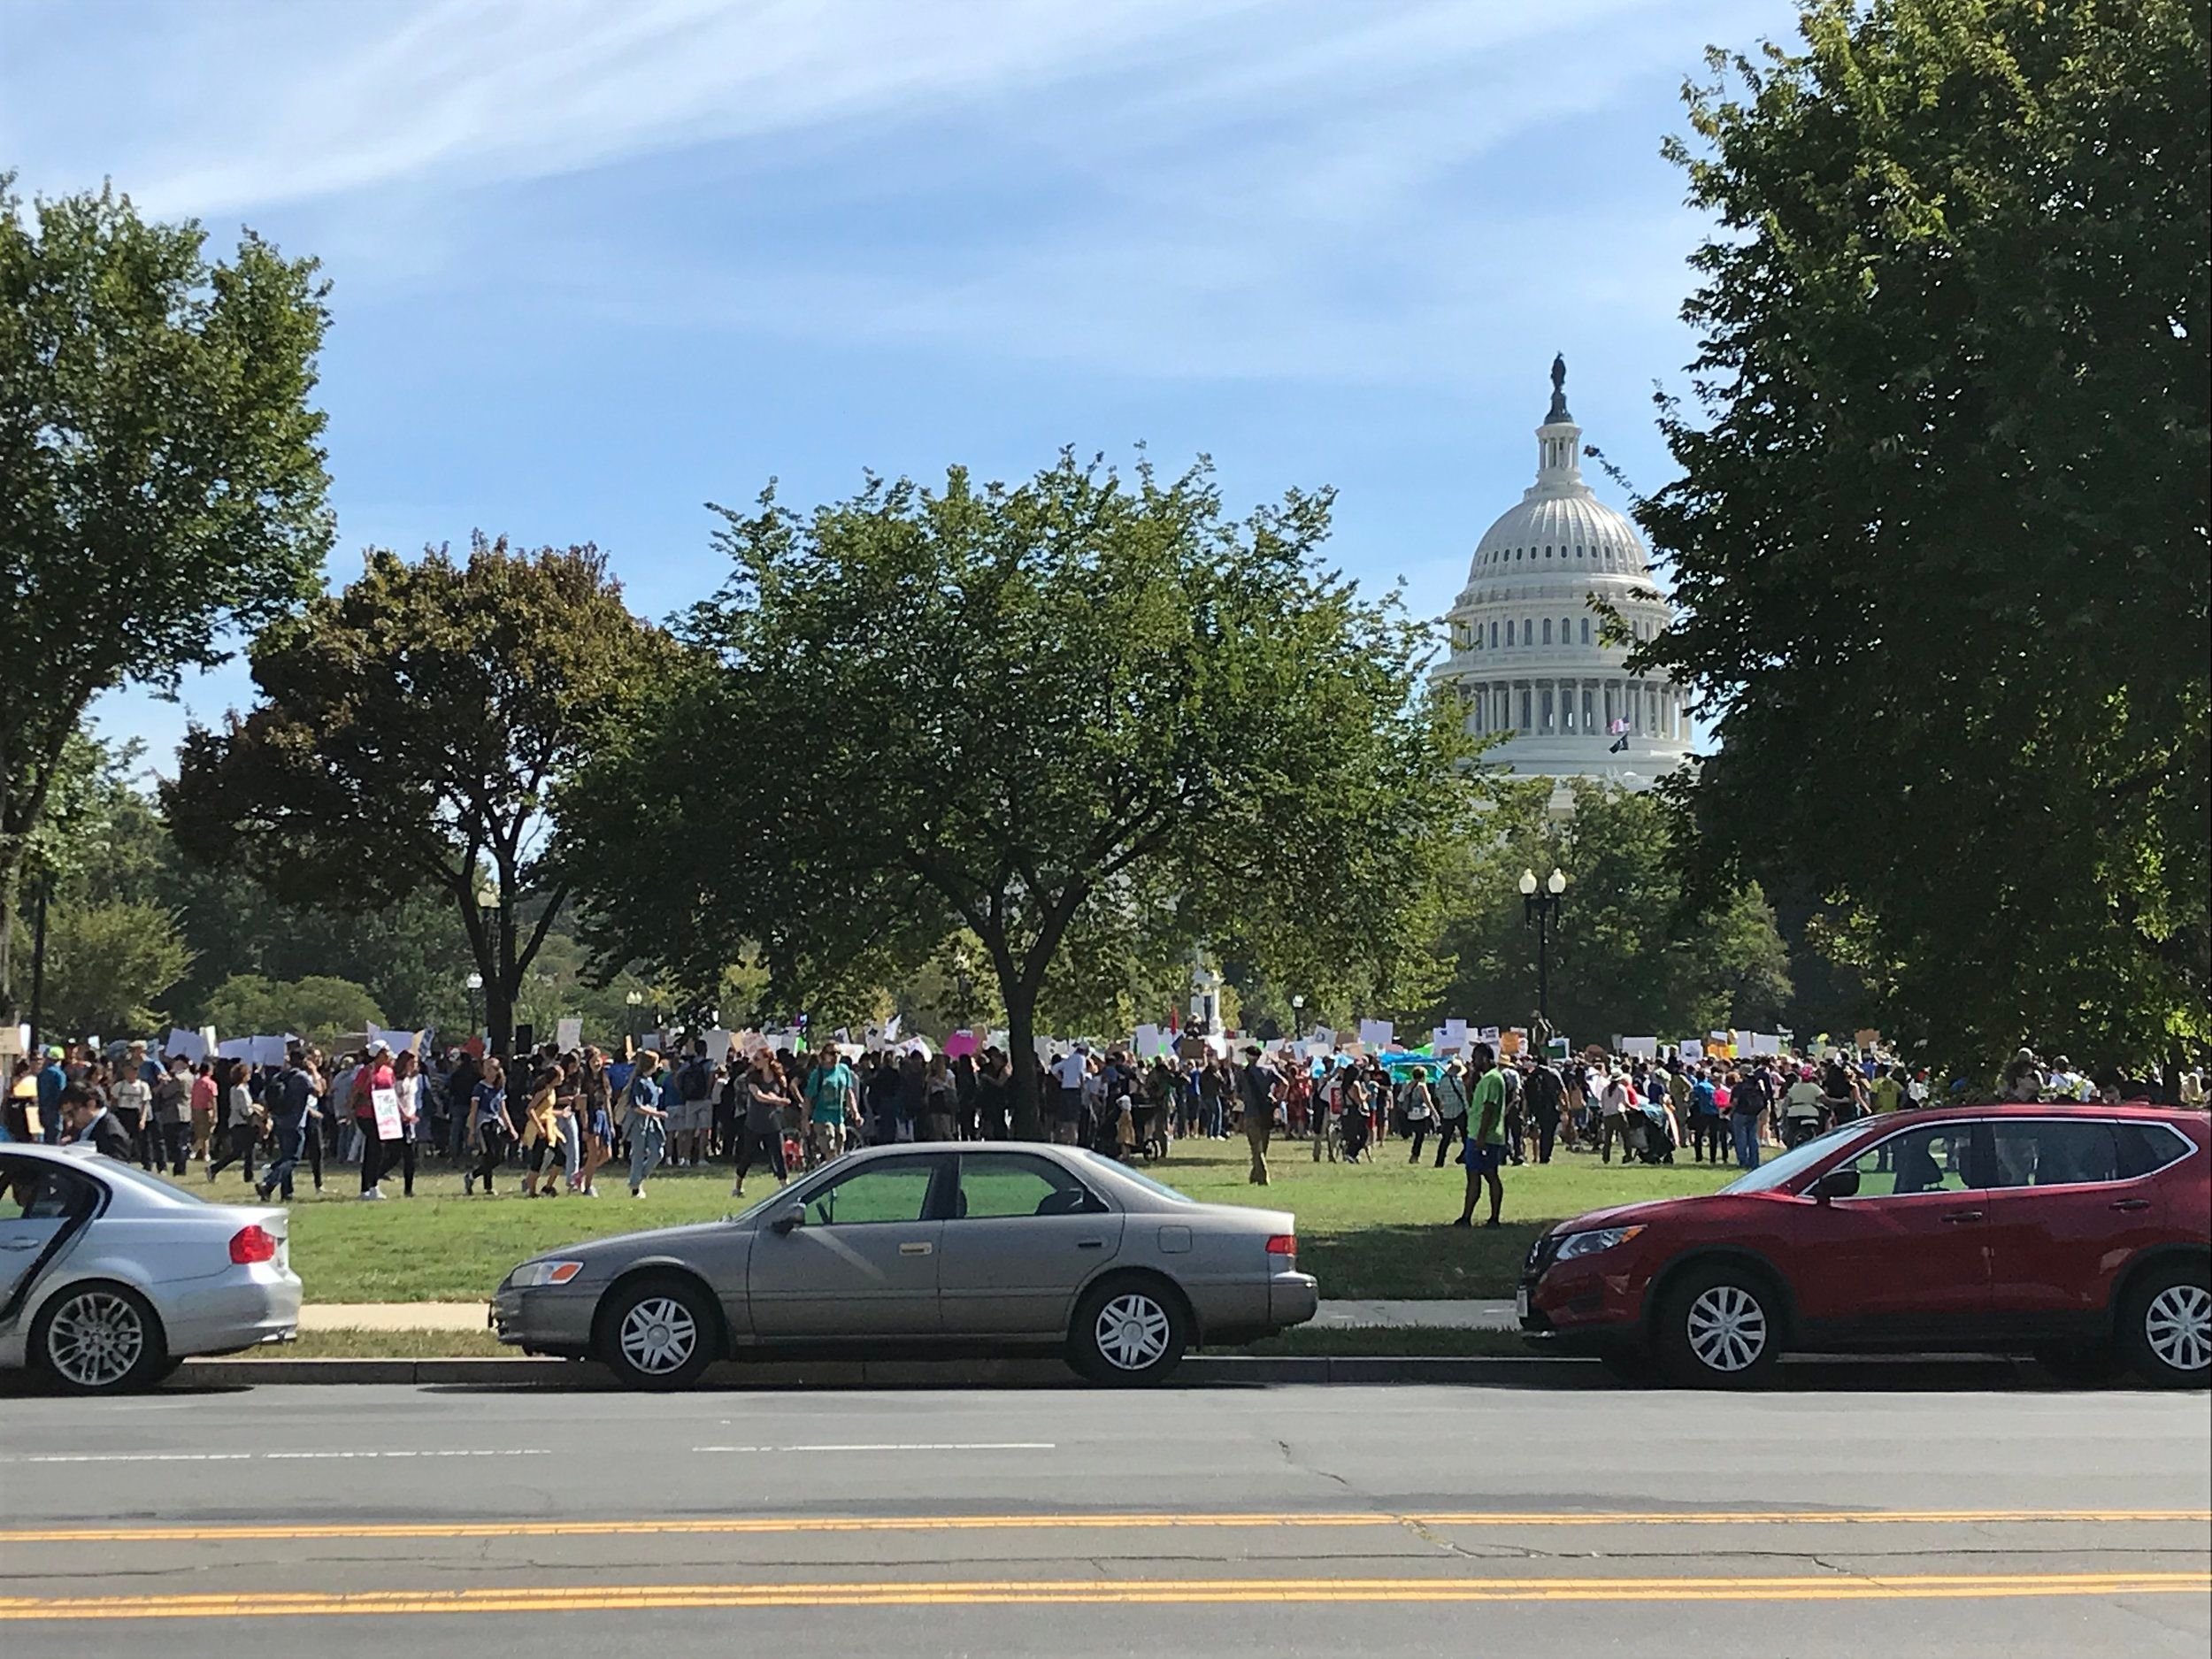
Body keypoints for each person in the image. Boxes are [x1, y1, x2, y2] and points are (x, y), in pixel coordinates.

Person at [1454, 1042, 1509, 1228]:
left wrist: (1482, 1137)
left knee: (1490, 1175)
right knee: (1473, 1174)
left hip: (1486, 1136)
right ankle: (1466, 1216)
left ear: (1484, 1058)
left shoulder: (1493, 1079)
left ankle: (1494, 1218)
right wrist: (1469, 1086)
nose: (1473, 1061)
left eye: (1476, 1057)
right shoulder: (1484, 1079)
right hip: (1475, 1133)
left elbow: (1489, 1108)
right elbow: (1474, 1105)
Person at [257, 1047, 322, 1202]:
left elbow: (267, 1098)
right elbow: (319, 1092)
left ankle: (286, 1193)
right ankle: (269, 1182)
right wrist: (314, 1073)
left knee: (286, 1156)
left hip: (279, 1121)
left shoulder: (280, 1076)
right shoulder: (301, 1077)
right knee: (293, 1158)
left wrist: (266, 1118)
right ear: (303, 1061)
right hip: (296, 1123)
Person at [733, 1054, 791, 1198]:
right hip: (754, 1123)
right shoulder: (753, 1078)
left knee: (778, 1155)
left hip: (773, 1123)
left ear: (768, 1059)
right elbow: (758, 1096)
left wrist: (777, 1099)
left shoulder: (780, 1078)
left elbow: (783, 1095)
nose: (754, 1062)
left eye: (757, 1059)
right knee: (748, 1155)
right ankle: (738, 1186)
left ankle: (785, 1187)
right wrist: (777, 1100)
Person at [206, 1061, 261, 1185]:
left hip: (235, 1122)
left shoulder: (234, 1089)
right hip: (243, 1123)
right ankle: (216, 1168)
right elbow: (246, 1110)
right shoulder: (241, 1090)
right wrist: (256, 1109)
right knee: (244, 1151)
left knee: (241, 1151)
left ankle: (218, 1169)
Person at [622, 1053, 665, 1195]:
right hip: (639, 1121)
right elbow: (637, 1106)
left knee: (657, 1152)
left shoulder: (649, 1080)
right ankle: (635, 1187)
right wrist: (656, 1113)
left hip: (652, 1121)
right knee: (638, 1153)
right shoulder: (639, 1081)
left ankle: (638, 1178)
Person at [1237, 1045, 1280, 1185]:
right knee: (1263, 1146)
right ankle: (1254, 1175)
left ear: (1249, 1057)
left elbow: (1237, 1093)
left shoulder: (1243, 1073)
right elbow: (1285, 1083)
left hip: (1251, 1112)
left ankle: (1263, 1176)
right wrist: (1277, 1099)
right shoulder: (1268, 1071)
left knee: (1256, 1146)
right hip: (1266, 1112)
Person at [61, 1083, 136, 1160]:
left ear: (90, 1104)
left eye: (71, 1113)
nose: (70, 1120)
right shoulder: (88, 1127)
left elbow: (114, 1168)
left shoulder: (112, 1135)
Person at [1727, 1063, 1770, 1171]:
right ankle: (1754, 1162)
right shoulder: (1757, 1085)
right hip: (1754, 1113)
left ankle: (1743, 1161)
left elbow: (1735, 1102)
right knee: (1752, 1138)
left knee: (1740, 1138)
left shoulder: (1739, 1086)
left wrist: (1728, 1111)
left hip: (1740, 1113)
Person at [1522, 1056, 1563, 1165]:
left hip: (1536, 1107)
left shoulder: (1532, 1075)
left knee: (1537, 1133)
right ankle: (1545, 1156)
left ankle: (1537, 1155)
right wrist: (1565, 1105)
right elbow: (1562, 1090)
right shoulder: (1553, 1073)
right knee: (1548, 1133)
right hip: (1551, 1107)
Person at [1398, 1066, 1436, 1164]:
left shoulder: (1408, 1084)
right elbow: (1427, 1100)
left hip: (1410, 1113)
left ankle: (1414, 1154)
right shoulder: (1422, 1086)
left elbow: (1401, 1098)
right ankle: (1415, 1155)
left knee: (1417, 1135)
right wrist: (1434, 1112)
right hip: (1421, 1113)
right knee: (1420, 1136)